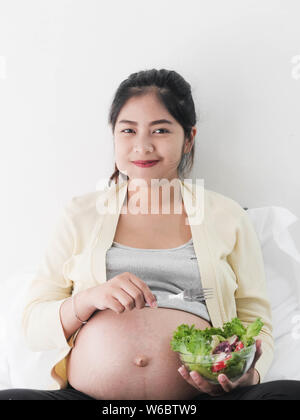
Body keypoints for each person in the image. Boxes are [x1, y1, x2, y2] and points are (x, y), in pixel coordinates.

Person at [1, 69, 300, 400]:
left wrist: (249, 374)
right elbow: (33, 324)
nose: (142, 145)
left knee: (288, 394)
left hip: (201, 401)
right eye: (128, 130)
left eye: (160, 130)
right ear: (114, 136)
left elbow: (255, 320)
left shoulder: (227, 216)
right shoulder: (80, 214)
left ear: (188, 138)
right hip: (92, 401)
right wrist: (87, 300)